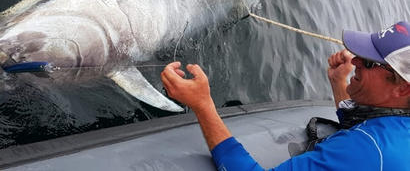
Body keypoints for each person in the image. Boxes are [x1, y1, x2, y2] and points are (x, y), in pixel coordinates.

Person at [161, 21, 410, 170]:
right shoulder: (399, 124)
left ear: (402, 88)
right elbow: (369, 126)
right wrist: (338, 82)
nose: (354, 59)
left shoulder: (367, 150)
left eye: (367, 62)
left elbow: (365, 148)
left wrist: (203, 105)